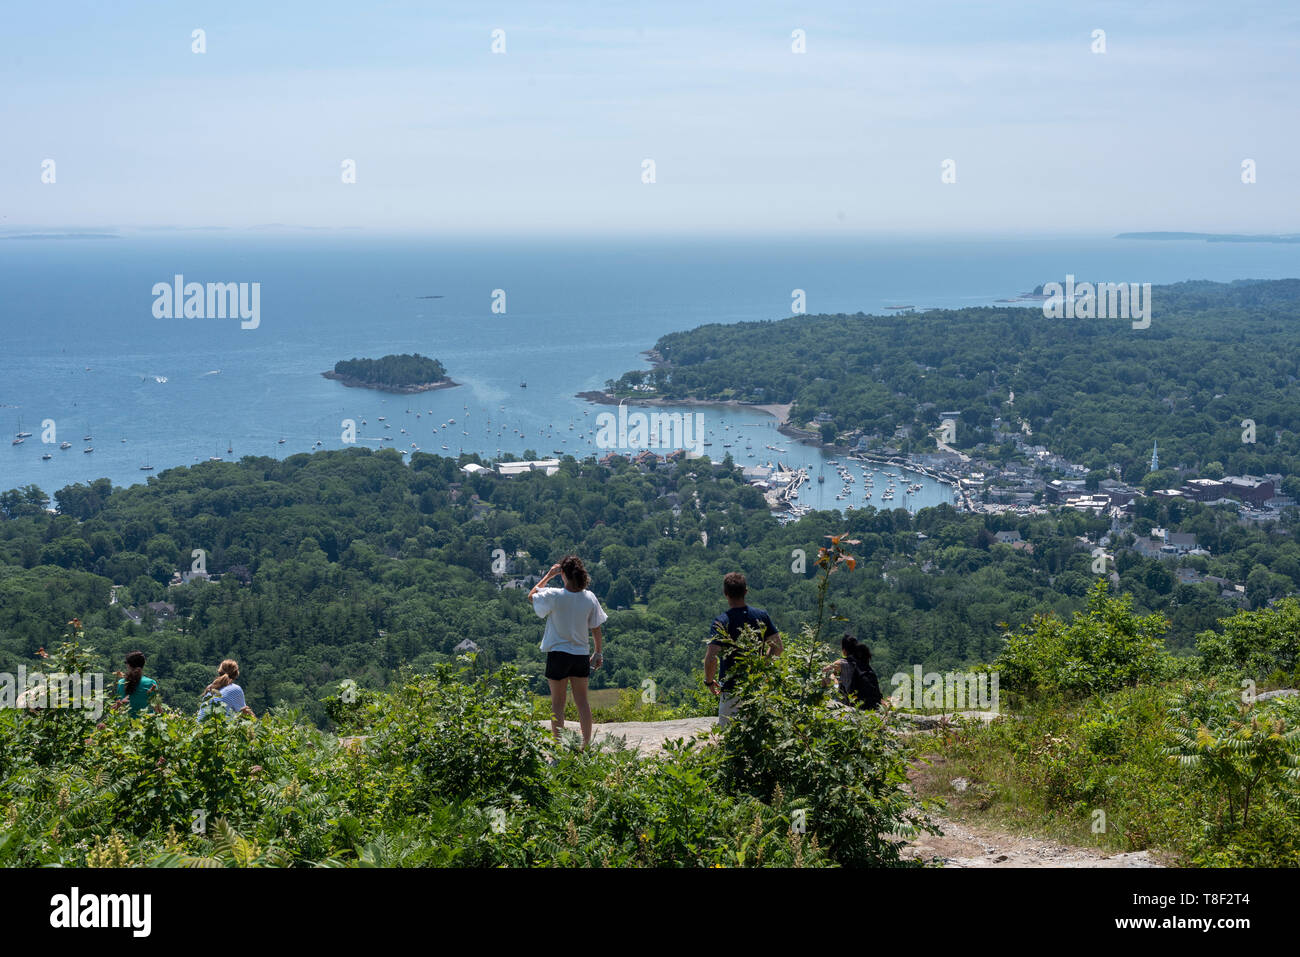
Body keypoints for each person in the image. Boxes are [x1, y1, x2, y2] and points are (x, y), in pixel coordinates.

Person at [527, 555, 607, 749]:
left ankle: (558, 747)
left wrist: (548, 575)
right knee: (582, 702)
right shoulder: (590, 597)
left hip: (558, 655)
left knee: (557, 704)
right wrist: (598, 653)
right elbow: (596, 628)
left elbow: (531, 596)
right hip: (580, 654)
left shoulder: (554, 595)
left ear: (563, 574)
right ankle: (586, 745)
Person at [703, 572, 782, 727]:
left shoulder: (721, 621)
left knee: (728, 739)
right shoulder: (761, 616)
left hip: (731, 689)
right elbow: (778, 647)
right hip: (757, 688)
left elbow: (711, 657)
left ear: (725, 594)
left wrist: (709, 682)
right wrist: (763, 666)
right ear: (746, 591)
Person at [822, 634, 883, 710]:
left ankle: (821, 701)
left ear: (844, 651)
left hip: (850, 704)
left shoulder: (842, 663)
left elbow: (823, 670)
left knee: (826, 674)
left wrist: (834, 680)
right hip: (871, 705)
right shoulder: (863, 663)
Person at [114, 650, 161, 716]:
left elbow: (118, 705)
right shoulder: (151, 683)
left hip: (124, 723)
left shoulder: (121, 683)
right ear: (143, 664)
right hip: (145, 723)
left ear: (128, 665)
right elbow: (157, 709)